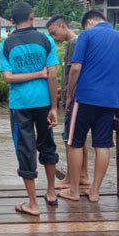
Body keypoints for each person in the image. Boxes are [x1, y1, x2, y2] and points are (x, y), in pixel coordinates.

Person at [59, 10, 119, 202]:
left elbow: (75, 68)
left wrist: (69, 96)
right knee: (103, 144)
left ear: (91, 22)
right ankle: (94, 192)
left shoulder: (87, 35)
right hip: (109, 102)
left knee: (75, 142)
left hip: (85, 98)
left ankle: (74, 191)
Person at [0, 2, 60, 216]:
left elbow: (8, 78)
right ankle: (51, 193)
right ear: (32, 17)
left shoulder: (5, 45)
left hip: (20, 105)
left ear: (13, 21)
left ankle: (33, 203)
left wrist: (31, 75)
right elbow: (52, 75)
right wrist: (54, 107)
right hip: (44, 103)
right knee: (47, 144)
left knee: (25, 149)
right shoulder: (46, 40)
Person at [46, 15, 89, 189]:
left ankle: (72, 179)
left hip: (74, 100)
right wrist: (62, 90)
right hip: (77, 97)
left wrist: (68, 95)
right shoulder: (77, 42)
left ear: (63, 26)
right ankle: (82, 175)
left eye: (53, 33)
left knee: (69, 139)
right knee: (77, 139)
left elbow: (74, 72)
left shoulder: (73, 44)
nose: (53, 38)